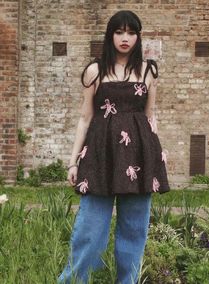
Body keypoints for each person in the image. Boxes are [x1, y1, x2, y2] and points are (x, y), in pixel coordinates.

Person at [58, 10, 170, 284]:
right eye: (119, 32)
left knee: (134, 230)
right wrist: (73, 162)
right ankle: (73, 281)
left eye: (131, 33)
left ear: (137, 37)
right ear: (110, 35)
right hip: (100, 155)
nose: (125, 38)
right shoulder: (94, 71)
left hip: (139, 157)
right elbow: (85, 118)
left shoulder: (148, 71)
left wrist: (158, 156)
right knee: (90, 229)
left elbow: (149, 117)